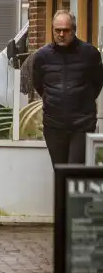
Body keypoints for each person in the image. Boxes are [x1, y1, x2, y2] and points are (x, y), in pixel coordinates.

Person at [31, 10, 103, 165]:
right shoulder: (42, 56)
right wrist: (53, 100)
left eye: (66, 30)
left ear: (74, 30)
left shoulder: (90, 54)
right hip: (54, 125)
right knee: (59, 172)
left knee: (74, 171)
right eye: (58, 30)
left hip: (82, 124)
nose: (61, 34)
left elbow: (97, 83)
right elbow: (39, 85)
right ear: (53, 30)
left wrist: (81, 102)